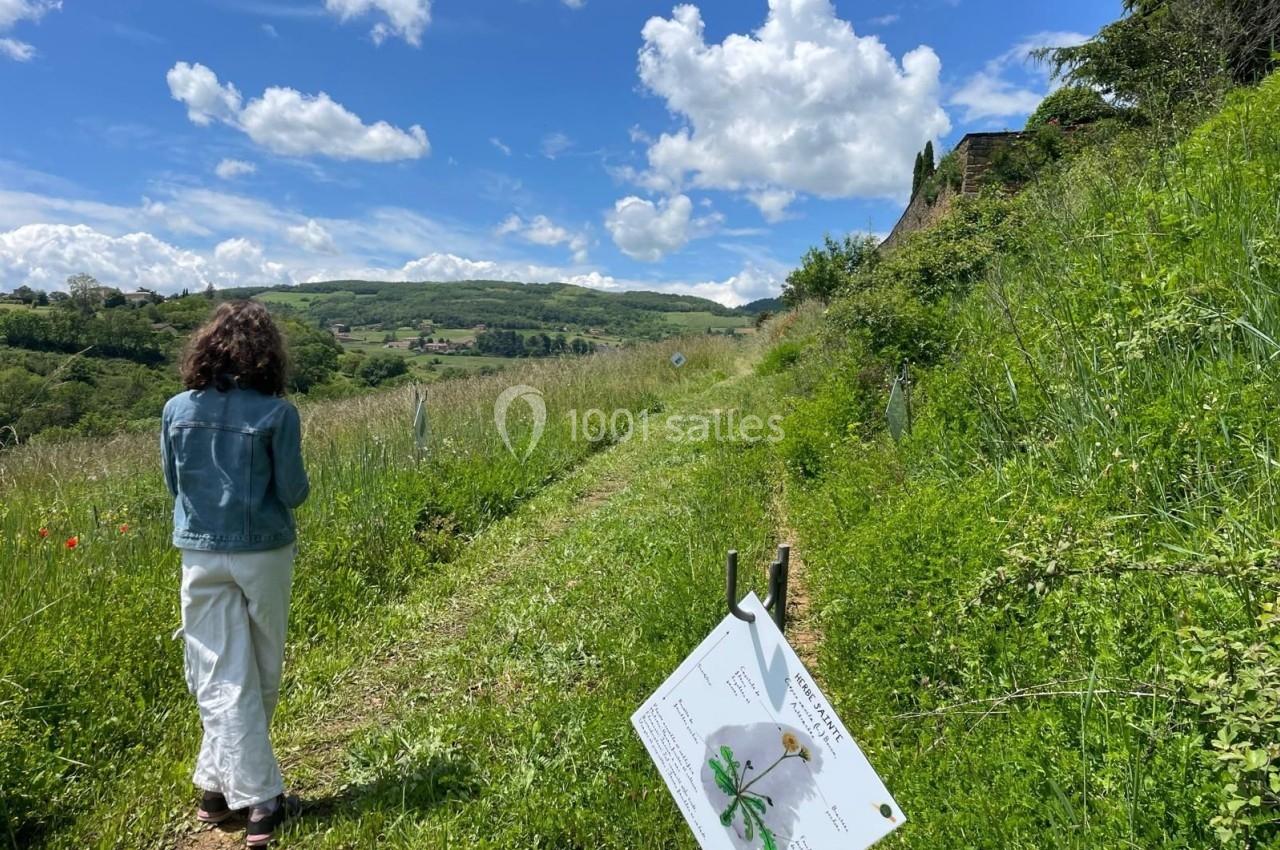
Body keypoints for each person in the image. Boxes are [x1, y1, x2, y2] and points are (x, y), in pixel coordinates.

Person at [161, 300, 309, 848]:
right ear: (267, 354)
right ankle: (262, 801)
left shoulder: (177, 409)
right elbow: (293, 492)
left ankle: (213, 788)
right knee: (259, 671)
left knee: (217, 670)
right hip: (264, 550)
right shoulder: (277, 413)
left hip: (198, 550)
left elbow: (174, 485)